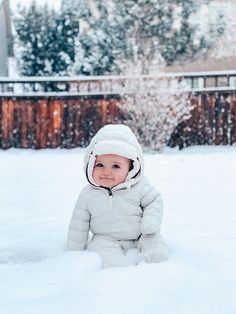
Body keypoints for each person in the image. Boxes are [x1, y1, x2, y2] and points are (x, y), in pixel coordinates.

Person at [66, 124, 169, 268]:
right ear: (90, 166)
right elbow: (78, 223)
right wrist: (74, 250)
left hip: (142, 234)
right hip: (105, 238)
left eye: (115, 166)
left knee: (155, 246)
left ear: (131, 168)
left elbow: (154, 201)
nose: (106, 172)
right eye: (100, 165)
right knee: (106, 257)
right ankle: (120, 273)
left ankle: (153, 269)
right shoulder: (88, 193)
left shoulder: (140, 187)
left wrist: (150, 223)